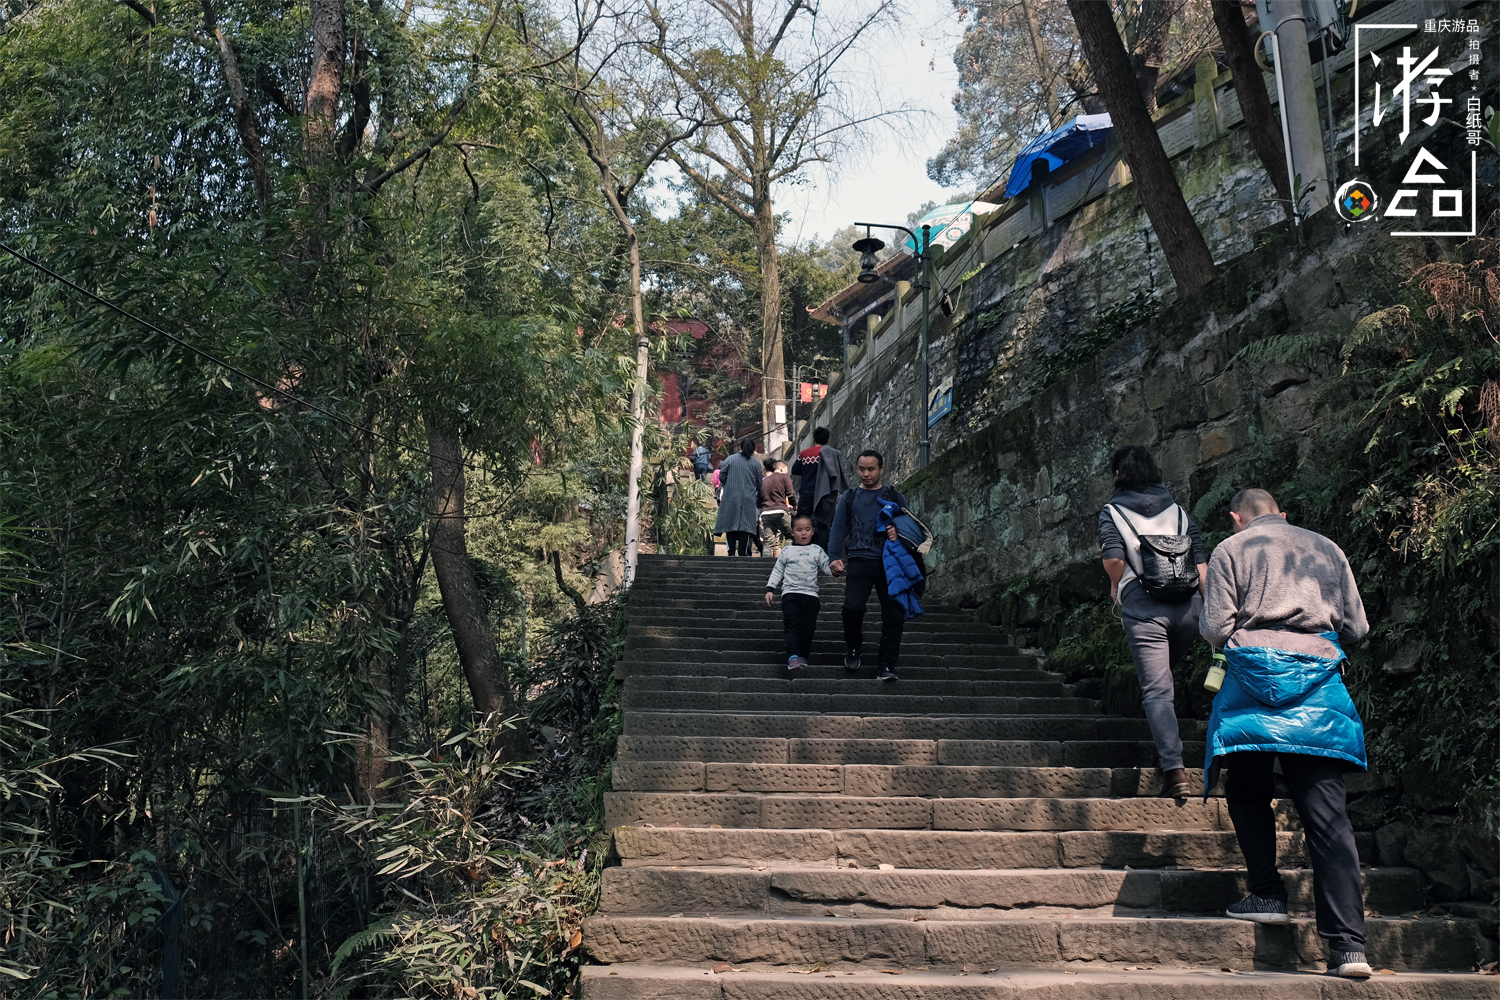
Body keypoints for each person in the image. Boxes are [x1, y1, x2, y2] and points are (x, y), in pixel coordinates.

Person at [1201, 487, 1373, 980]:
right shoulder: (1326, 549)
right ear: (1283, 513)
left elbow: (1216, 628)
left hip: (1249, 685)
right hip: (1318, 689)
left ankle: (1267, 893)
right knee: (1327, 817)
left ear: (1238, 519)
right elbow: (1357, 628)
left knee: (1247, 787)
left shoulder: (1229, 551)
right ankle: (1347, 948)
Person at [1097, 445, 1207, 800]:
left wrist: (1116, 584)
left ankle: (1174, 771)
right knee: (1165, 681)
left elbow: (1114, 558)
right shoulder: (1178, 511)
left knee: (1157, 690)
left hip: (1145, 607)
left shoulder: (1112, 511)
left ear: (1118, 474)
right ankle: (1163, 752)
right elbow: (1201, 563)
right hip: (1189, 607)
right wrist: (1211, 607)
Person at [827, 450, 909, 682]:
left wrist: (898, 531)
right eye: (861, 469)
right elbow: (839, 528)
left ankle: (886, 665)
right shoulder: (850, 496)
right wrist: (834, 556)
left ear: (881, 469)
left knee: (894, 614)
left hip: (890, 563)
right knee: (852, 608)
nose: (866, 474)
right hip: (859, 561)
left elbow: (912, 527)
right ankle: (853, 647)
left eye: (871, 469)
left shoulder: (894, 496)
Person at [764, 514, 832, 671]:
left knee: (808, 628)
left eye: (807, 529)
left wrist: (836, 568)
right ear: (792, 532)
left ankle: (803, 655)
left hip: (811, 597)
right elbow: (777, 570)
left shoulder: (817, 550)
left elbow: (827, 568)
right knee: (792, 626)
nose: (803, 533)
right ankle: (793, 656)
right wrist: (770, 588)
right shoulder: (787, 551)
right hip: (791, 594)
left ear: (813, 531)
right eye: (799, 530)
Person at [793, 427, 847, 551]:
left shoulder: (804, 454)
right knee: (822, 523)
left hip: (806, 491)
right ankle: (821, 552)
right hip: (824, 493)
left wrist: (807, 472)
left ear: (813, 439)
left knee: (803, 523)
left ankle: (803, 550)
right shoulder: (832, 454)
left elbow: (794, 469)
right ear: (828, 440)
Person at [713, 437, 764, 557]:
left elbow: (722, 477)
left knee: (730, 524)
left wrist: (730, 483)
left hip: (731, 497)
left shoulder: (730, 459)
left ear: (740, 447)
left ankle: (731, 552)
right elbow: (759, 483)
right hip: (748, 499)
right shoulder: (756, 463)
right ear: (753, 449)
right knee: (745, 527)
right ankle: (743, 553)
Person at [758, 459, 797, 559]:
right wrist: (795, 506)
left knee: (768, 542)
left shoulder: (764, 480)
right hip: (781, 512)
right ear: (781, 468)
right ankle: (785, 559)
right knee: (790, 536)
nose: (787, 472)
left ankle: (765, 566)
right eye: (786, 469)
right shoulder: (784, 477)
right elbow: (791, 494)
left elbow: (758, 500)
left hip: (766, 513)